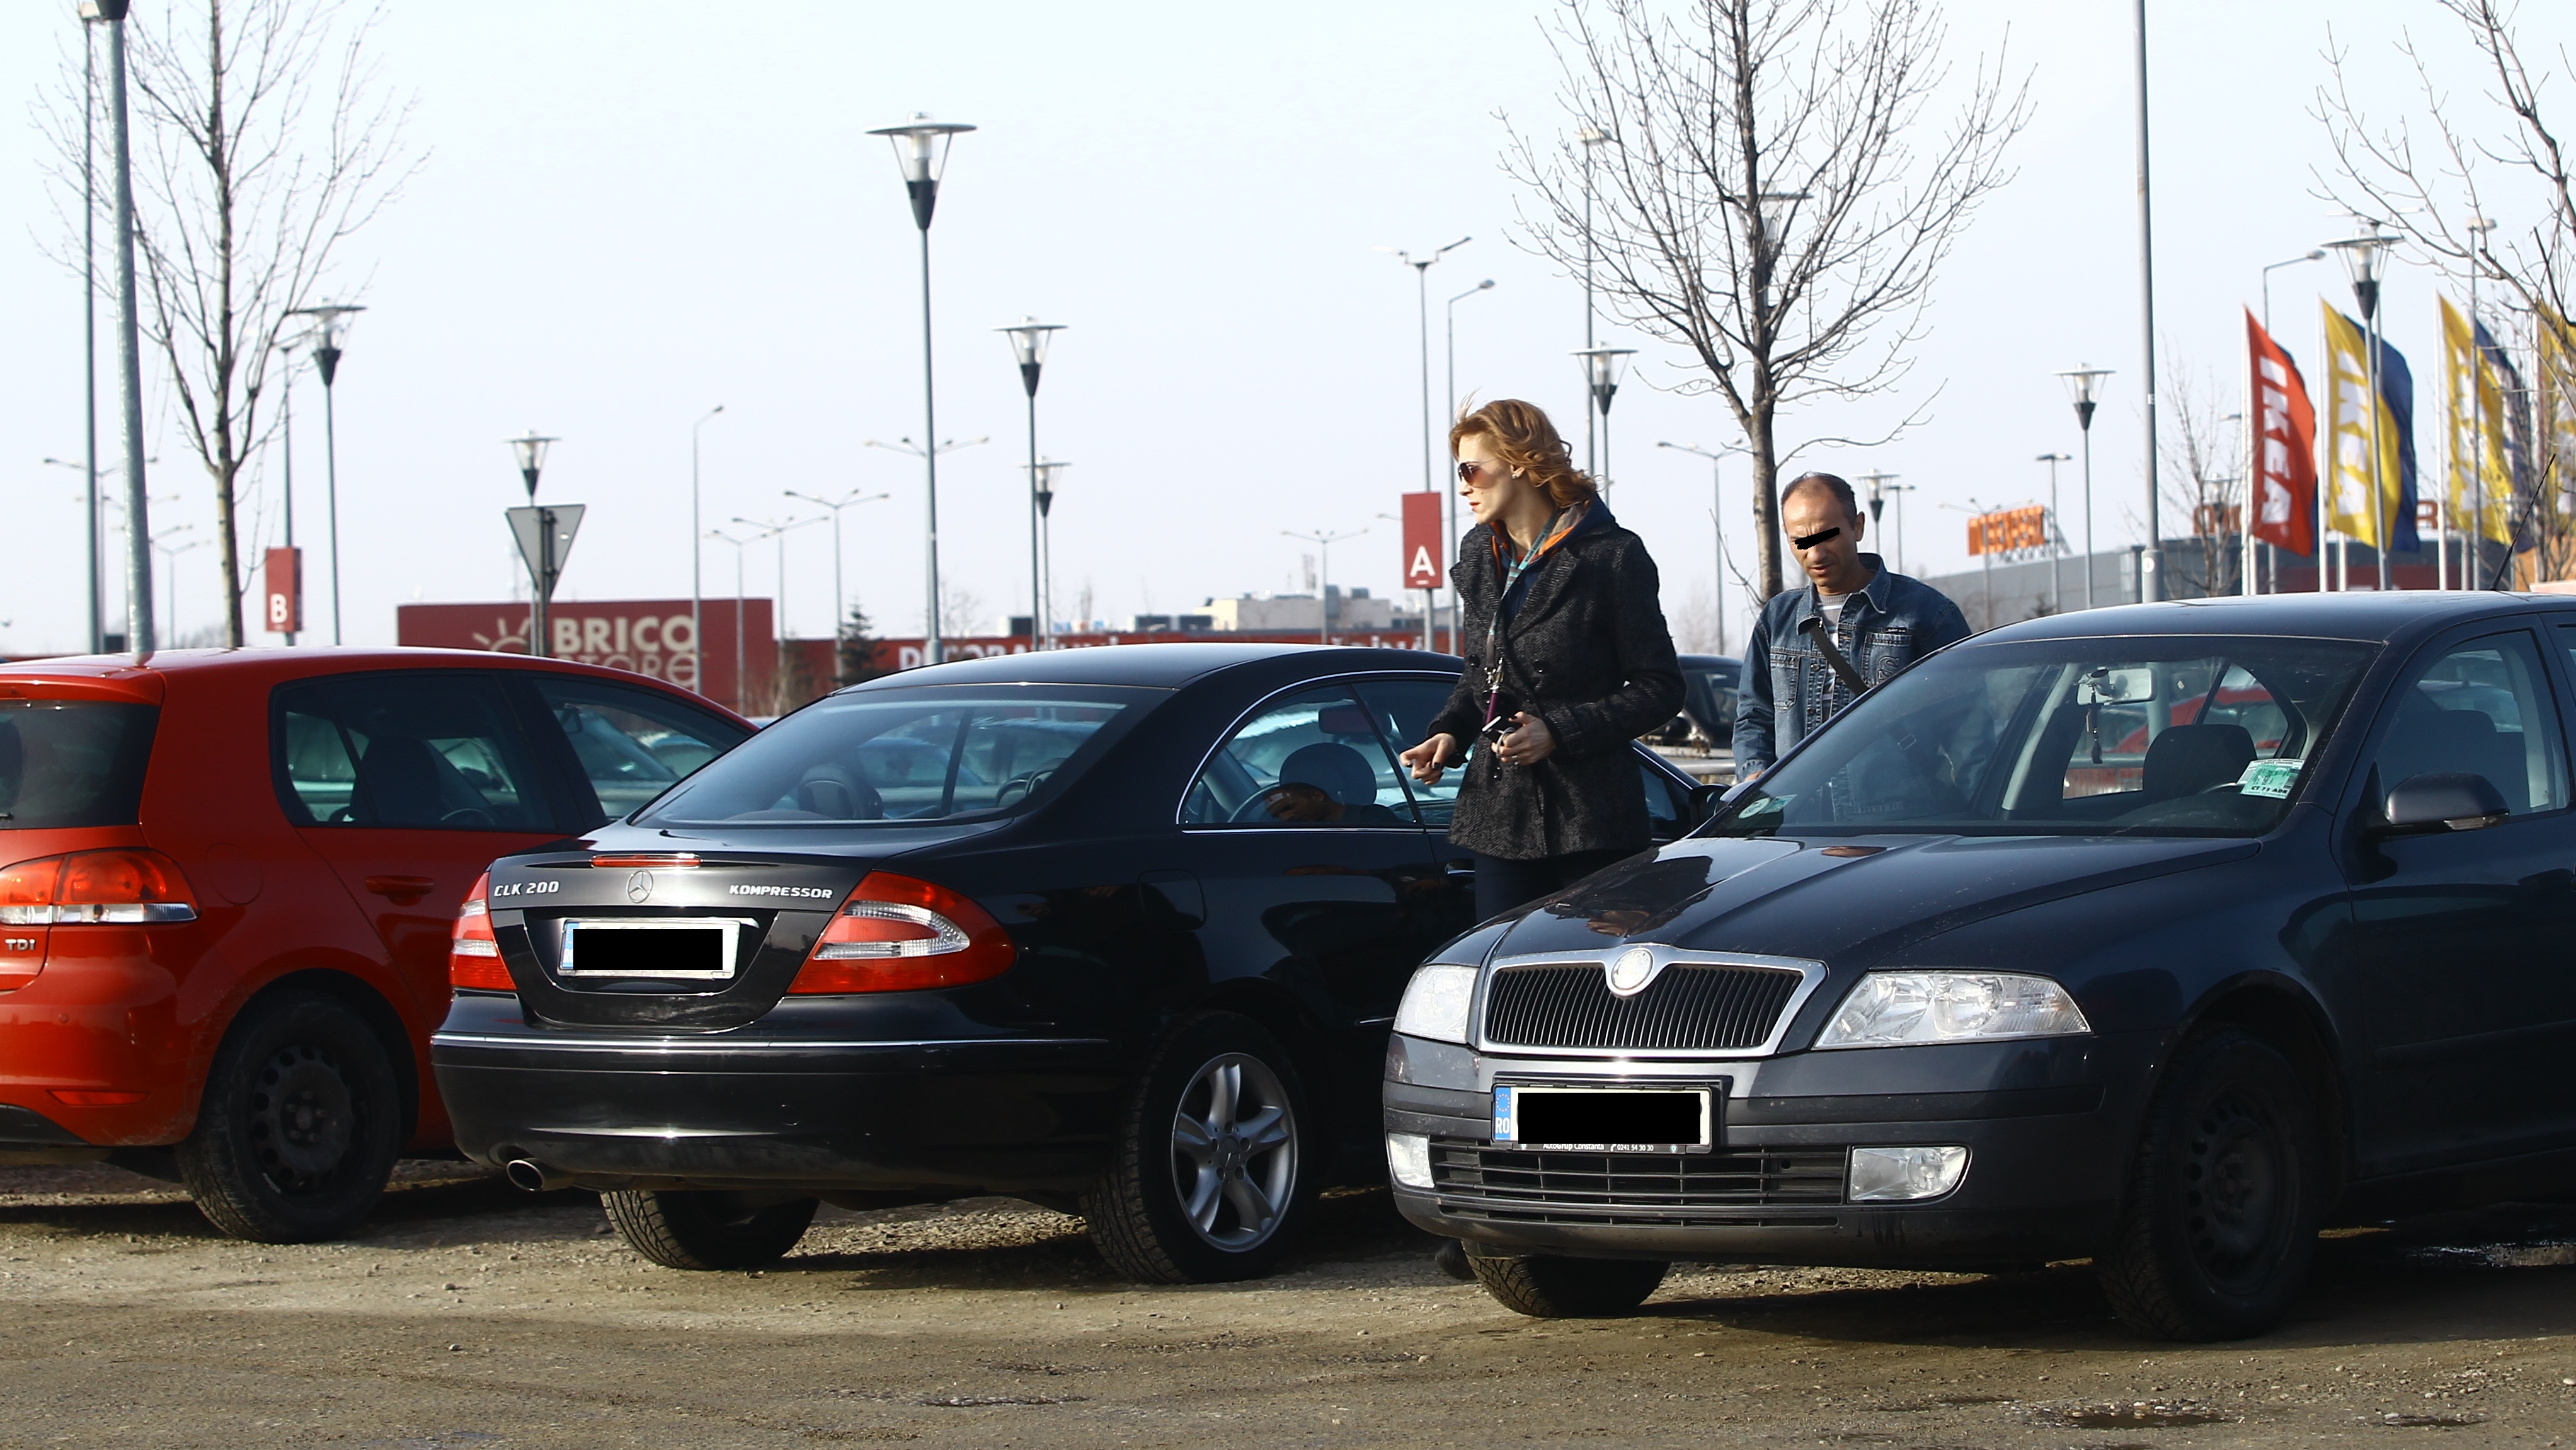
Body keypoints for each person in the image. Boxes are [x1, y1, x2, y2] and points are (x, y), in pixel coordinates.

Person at [1400, 400, 1682, 921]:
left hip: (1591, 821)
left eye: (1471, 468)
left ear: (1521, 464)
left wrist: (1559, 730)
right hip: (1500, 816)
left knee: (1587, 986)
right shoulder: (1479, 553)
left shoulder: (1610, 556)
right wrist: (1451, 732)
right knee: (1503, 979)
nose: (1462, 484)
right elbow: (1480, 672)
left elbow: (1660, 686)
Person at [1733, 471, 1971, 778]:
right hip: (1798, 817)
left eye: (1827, 536)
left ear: (1857, 526)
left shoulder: (1925, 614)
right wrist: (1756, 776)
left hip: (1896, 820)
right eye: (1800, 541)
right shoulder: (1778, 619)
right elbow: (1754, 716)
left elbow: (1968, 727)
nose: (1815, 553)